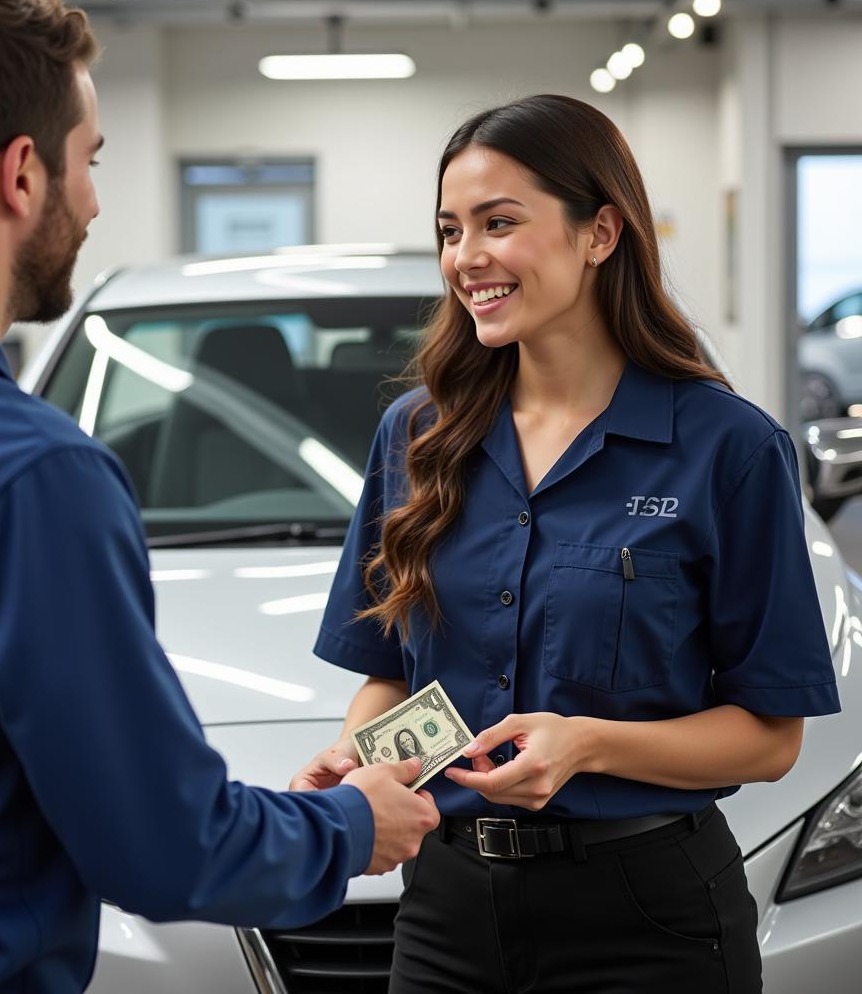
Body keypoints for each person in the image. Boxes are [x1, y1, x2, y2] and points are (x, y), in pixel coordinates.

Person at [0, 0, 439, 993]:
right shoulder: (25, 473)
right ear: (23, 174)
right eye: (92, 161)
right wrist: (353, 822)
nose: (95, 199)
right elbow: (163, 846)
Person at [291, 94, 841, 993]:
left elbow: (769, 736)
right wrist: (363, 758)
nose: (467, 258)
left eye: (499, 223)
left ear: (600, 233)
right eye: (449, 229)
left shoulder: (727, 448)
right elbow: (387, 670)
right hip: (448, 910)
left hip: (647, 918)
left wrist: (587, 745)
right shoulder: (416, 435)